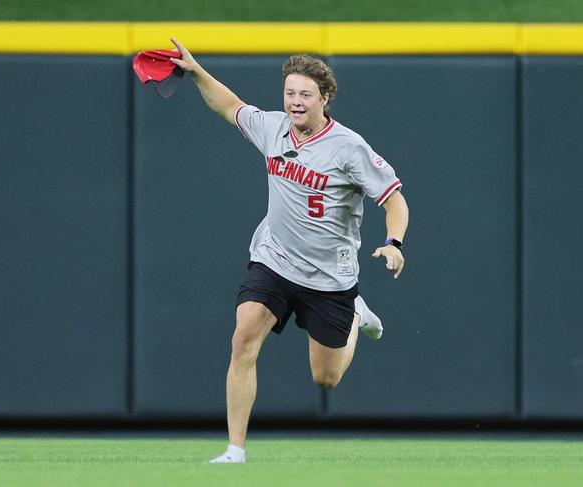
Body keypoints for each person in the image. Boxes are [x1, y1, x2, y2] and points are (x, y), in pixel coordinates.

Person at [168, 37, 409, 464]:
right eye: (290, 93)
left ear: (325, 97)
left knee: (326, 379)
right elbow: (229, 105)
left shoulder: (349, 148)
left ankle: (354, 312)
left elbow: (394, 199)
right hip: (274, 260)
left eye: (305, 95)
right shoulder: (274, 127)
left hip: (329, 277)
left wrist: (393, 242)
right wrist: (195, 71)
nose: (296, 102)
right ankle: (234, 450)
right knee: (243, 338)